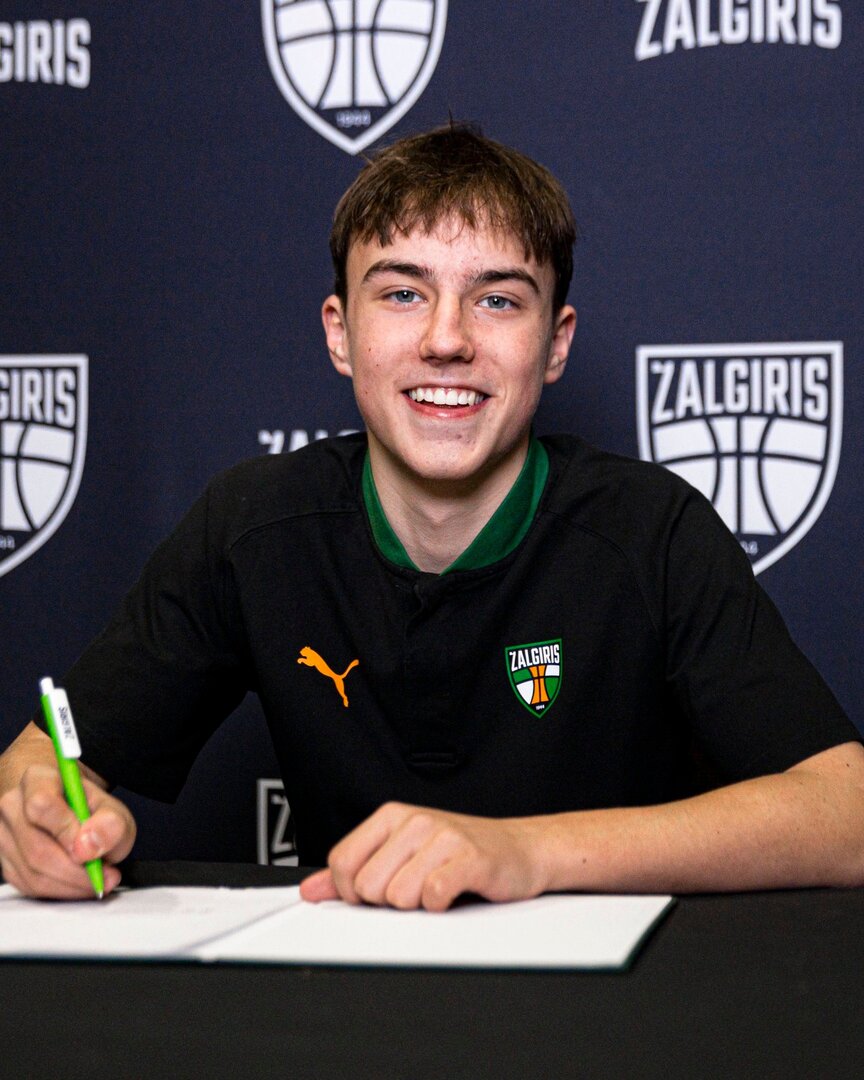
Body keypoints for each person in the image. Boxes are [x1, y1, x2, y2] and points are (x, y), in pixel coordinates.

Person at [1, 124, 863, 908]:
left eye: (498, 299)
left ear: (556, 343)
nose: (447, 339)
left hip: (606, 1005)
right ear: (340, 333)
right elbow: (41, 761)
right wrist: (42, 816)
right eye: (403, 294)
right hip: (344, 998)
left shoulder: (652, 530)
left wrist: (526, 852)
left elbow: (847, 811)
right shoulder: (253, 525)